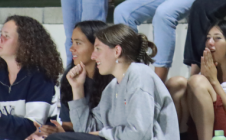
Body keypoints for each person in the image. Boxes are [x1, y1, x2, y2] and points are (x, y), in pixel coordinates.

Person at [46, 24, 179, 140]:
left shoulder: (139, 74)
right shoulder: (112, 87)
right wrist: (77, 89)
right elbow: (84, 131)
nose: (93, 56)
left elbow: (139, 134)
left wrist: (102, 133)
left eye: (98, 49)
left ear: (117, 51)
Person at [166, 21, 226, 140]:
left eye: (217, 38)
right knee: (176, 83)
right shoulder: (203, 74)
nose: (210, 43)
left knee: (197, 82)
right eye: (208, 38)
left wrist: (214, 81)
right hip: (199, 132)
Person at [27, 21, 114, 139]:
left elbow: (88, 131)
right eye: (72, 42)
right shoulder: (70, 78)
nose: (72, 48)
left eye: (78, 43)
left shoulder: (113, 81)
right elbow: (71, 126)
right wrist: (58, 130)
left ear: (97, 46)